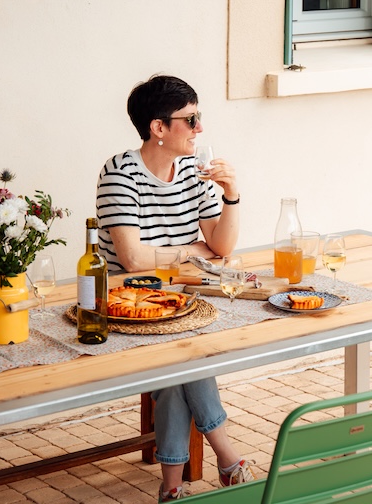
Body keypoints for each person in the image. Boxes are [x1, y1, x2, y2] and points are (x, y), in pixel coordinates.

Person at [96, 74, 254, 501]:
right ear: (158, 128)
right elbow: (131, 260)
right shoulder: (119, 173)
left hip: (182, 300)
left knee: (175, 364)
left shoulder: (192, 170)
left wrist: (232, 195)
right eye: (191, 119)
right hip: (129, 302)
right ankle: (226, 454)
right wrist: (190, 251)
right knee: (183, 354)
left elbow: (219, 248)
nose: (200, 128)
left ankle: (171, 488)